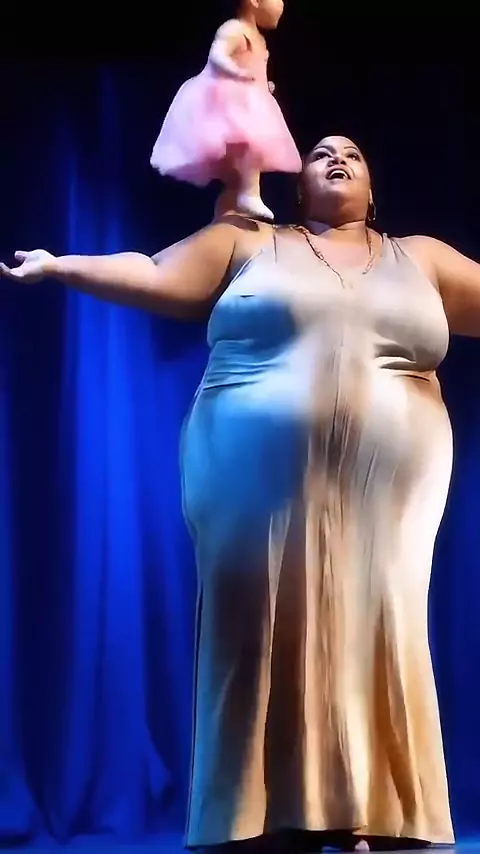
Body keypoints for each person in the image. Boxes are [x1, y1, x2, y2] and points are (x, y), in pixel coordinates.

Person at [3, 135, 480, 852]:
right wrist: (60, 265)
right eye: (320, 153)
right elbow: (153, 271)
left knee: (380, 617)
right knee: (256, 624)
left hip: (392, 489)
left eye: (352, 154)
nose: (337, 158)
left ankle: (375, 811)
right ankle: (257, 816)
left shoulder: (423, 258)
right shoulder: (249, 242)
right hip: (251, 475)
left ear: (373, 189)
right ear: (296, 184)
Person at [149, 0, 301, 221]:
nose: (281, 4)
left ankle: (234, 202)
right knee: (250, 141)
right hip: (227, 98)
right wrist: (236, 72)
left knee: (245, 159)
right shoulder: (235, 29)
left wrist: (264, 84)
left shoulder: (258, 38)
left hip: (250, 98)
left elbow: (255, 67)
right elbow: (217, 55)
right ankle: (250, 194)